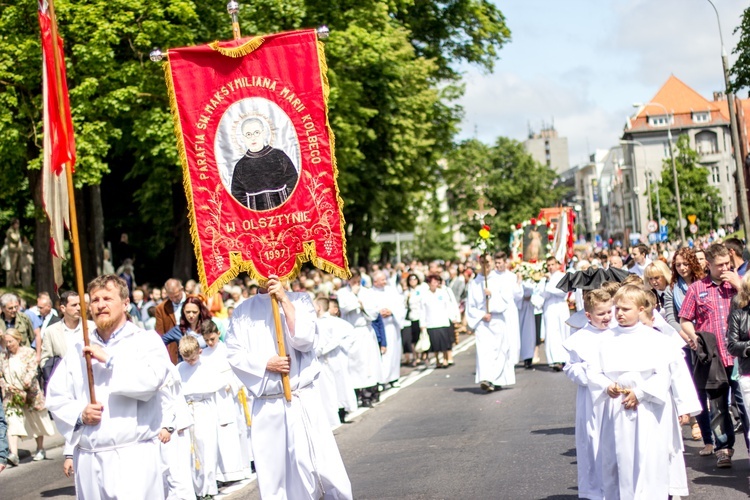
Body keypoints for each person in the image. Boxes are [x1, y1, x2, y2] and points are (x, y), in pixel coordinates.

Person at [225, 275, 352, 499]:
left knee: (318, 466)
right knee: (275, 475)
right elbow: (234, 354)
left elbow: (305, 340)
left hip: (300, 398)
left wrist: (284, 299)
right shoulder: (242, 312)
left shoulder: (300, 300)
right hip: (267, 404)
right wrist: (265, 364)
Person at [46, 274, 171, 499]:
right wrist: (80, 414)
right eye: (95, 300)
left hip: (133, 458)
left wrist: (109, 360)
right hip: (89, 458)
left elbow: (152, 381)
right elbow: (56, 395)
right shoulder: (79, 348)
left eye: (107, 298)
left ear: (125, 303)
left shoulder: (145, 340)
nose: (100, 305)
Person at [592, 285, 680, 497]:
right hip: (616, 407)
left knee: (648, 460)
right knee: (617, 460)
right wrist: (607, 385)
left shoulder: (656, 339)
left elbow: (663, 374)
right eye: (617, 308)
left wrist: (640, 393)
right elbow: (593, 371)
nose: (619, 313)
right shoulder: (604, 339)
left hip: (647, 408)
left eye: (626, 309)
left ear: (640, 309)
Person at [679, 243, 746, 468]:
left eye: (728, 263)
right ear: (708, 265)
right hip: (713, 355)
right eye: (720, 265)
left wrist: (741, 286)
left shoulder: (740, 283)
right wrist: (694, 338)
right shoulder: (697, 288)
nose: (725, 268)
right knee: (717, 405)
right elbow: (685, 319)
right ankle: (723, 448)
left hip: (739, 356)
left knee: (744, 404)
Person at [562, 289, 613, 500]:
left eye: (610, 311)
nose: (607, 317)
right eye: (601, 314)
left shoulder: (620, 332)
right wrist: (589, 375)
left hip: (617, 397)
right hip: (593, 400)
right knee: (594, 443)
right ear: (588, 315)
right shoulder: (580, 338)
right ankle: (595, 492)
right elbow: (570, 367)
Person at [664, 247, 709, 448]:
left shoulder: (704, 283)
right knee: (696, 389)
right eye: (678, 264)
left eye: (685, 264)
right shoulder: (672, 288)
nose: (682, 268)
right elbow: (671, 317)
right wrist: (688, 338)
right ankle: (707, 437)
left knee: (715, 389)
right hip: (687, 343)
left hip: (708, 339)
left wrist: (700, 337)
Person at [177, 336, 223, 499]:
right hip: (187, 409)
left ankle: (208, 488)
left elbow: (216, 386)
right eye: (186, 358)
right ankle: (195, 489)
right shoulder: (180, 368)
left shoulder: (207, 366)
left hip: (203, 408)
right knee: (190, 451)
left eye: (193, 358)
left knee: (207, 448)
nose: (189, 362)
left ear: (199, 352)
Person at [1, 328, 55, 465]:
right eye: (6, 342)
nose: (8, 345)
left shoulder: (29, 353)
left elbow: (32, 371)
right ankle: (13, 454)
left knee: (36, 422)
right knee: (12, 422)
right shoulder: (3, 357)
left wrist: (23, 387)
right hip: (12, 396)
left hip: (29, 394)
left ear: (18, 339)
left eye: (10, 341)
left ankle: (40, 448)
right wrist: (8, 387)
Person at [466, 254, 516, 392]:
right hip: (483, 322)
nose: (485, 265)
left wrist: (492, 296)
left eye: (488, 262)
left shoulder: (500, 280)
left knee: (499, 352)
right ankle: (486, 379)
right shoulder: (474, 283)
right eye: (482, 262)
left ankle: (497, 379)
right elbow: (470, 306)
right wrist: (482, 314)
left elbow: (506, 301)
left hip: (497, 320)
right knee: (484, 351)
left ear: (492, 262)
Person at [230, 117, 299, 210]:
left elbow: (293, 182)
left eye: (257, 132)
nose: (253, 137)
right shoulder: (240, 166)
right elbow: (237, 195)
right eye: (248, 134)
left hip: (285, 210)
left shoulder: (279, 156)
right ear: (243, 138)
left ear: (264, 133)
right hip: (256, 217)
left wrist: (289, 206)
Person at [338, 270, 383, 407]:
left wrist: (362, 304)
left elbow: (374, 312)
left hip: (365, 330)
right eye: (352, 281)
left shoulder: (368, 292)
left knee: (369, 363)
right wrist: (355, 298)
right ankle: (357, 392)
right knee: (354, 364)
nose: (355, 283)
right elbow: (344, 308)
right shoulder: (342, 293)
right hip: (352, 331)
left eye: (357, 280)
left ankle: (370, 392)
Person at [39, 291, 96, 391]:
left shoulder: (92, 327)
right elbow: (45, 360)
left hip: (89, 383)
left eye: (80, 304)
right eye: (74, 305)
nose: (78, 308)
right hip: (63, 386)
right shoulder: (51, 331)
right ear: (63, 308)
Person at [314, 297, 357, 426]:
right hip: (324, 360)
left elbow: (344, 336)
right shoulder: (316, 322)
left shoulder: (333, 322)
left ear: (320, 307)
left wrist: (325, 350)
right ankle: (333, 414)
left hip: (334, 357)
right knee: (328, 388)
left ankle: (342, 410)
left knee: (340, 384)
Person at [371, 271, 406, 388]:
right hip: (378, 326)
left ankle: (394, 377)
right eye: (382, 280)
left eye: (385, 279)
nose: (385, 282)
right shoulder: (370, 292)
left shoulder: (391, 290)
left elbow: (400, 305)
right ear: (375, 281)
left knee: (393, 352)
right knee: (380, 353)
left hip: (391, 325)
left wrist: (391, 311)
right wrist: (378, 312)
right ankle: (381, 380)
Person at [420, 274, 460, 368]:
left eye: (437, 282)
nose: (435, 284)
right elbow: (422, 310)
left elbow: (448, 306)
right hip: (431, 323)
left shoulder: (442, 292)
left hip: (443, 321)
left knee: (444, 343)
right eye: (433, 282)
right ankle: (438, 360)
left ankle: (446, 359)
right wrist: (422, 323)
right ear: (429, 283)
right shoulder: (425, 295)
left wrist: (453, 317)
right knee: (435, 344)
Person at [542, 257, 570, 371]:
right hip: (550, 307)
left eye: (552, 264)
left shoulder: (563, 276)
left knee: (563, 331)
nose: (550, 267)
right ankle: (555, 359)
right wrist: (547, 283)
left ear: (557, 265)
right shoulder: (546, 279)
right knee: (552, 333)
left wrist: (549, 287)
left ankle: (565, 358)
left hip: (561, 306)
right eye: (548, 265)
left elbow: (562, 292)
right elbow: (542, 293)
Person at [156, 278, 187, 364]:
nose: (174, 299)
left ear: (182, 289)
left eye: (176, 296)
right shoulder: (161, 308)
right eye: (171, 297)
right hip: (173, 351)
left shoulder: (193, 300)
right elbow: (160, 333)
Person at [0, 293, 37, 360]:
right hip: (5, 358)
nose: (14, 310)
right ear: (2, 308)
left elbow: (32, 336)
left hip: (23, 356)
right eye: (10, 308)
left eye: (16, 307)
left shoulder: (24, 318)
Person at [400, 274, 423, 367]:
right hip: (411, 318)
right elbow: (404, 305)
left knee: (421, 337)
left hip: (420, 317)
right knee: (413, 339)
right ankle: (415, 356)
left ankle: (422, 355)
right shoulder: (407, 292)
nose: (413, 281)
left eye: (414, 279)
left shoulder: (422, 289)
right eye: (410, 280)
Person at [4, 219, 21, 287]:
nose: (17, 225)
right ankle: (11, 283)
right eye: (16, 224)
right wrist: (17, 233)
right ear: (13, 224)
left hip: (17, 251)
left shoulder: (16, 231)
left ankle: (16, 282)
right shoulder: (10, 231)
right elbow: (16, 239)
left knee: (17, 268)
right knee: (12, 268)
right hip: (12, 251)